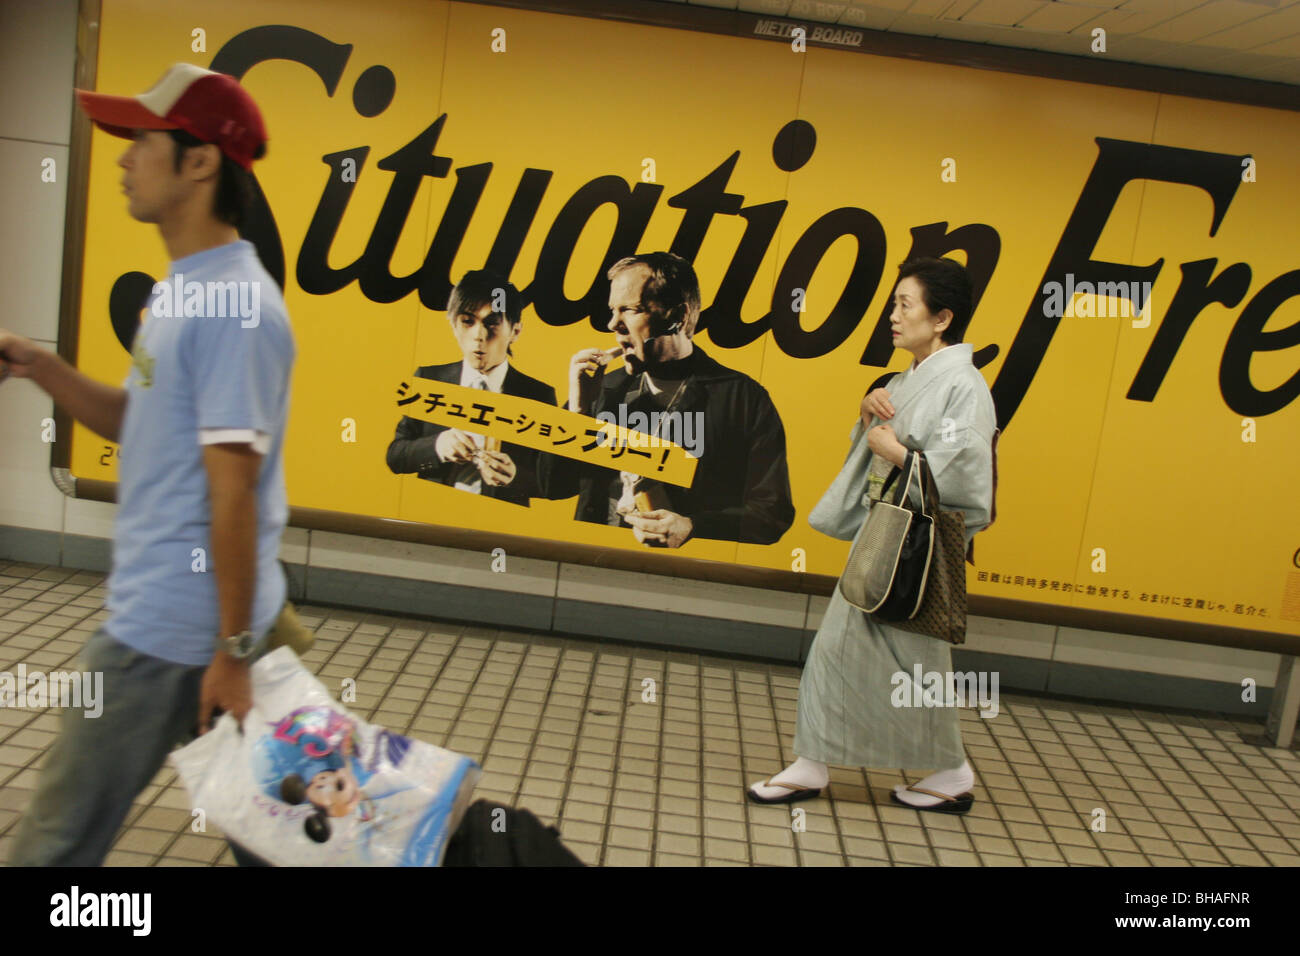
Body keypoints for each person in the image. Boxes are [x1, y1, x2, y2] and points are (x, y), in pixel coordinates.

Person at [1, 63, 293, 864]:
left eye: (141, 141)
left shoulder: (236, 306)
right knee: (281, 842)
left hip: (171, 634)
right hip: (203, 625)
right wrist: (37, 364)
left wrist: (232, 655)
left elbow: (231, 492)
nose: (125, 159)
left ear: (200, 163)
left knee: (55, 845)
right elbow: (143, 423)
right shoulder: (185, 289)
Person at [748, 257, 997, 814]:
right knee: (879, 658)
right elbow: (884, 446)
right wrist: (868, 414)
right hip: (888, 538)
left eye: (905, 304)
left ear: (942, 319)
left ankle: (943, 770)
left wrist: (900, 455)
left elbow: (967, 479)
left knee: (898, 661)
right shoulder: (907, 380)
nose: (893, 315)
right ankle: (823, 761)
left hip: (913, 548)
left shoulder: (963, 386)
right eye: (894, 303)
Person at [540, 252, 794, 548]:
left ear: (677, 316)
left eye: (630, 310)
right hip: (598, 559)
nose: (612, 324)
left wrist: (693, 526)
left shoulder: (742, 398)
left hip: (684, 573)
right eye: (613, 310)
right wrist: (578, 409)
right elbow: (553, 487)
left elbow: (772, 514)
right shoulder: (606, 388)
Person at [385, 270, 556, 506]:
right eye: (467, 321)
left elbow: (552, 482)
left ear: (515, 331)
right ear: (454, 325)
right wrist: (437, 446)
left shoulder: (538, 395)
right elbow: (396, 456)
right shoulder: (429, 379)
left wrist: (515, 476)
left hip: (500, 523)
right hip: (431, 512)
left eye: (492, 323)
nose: (479, 335)